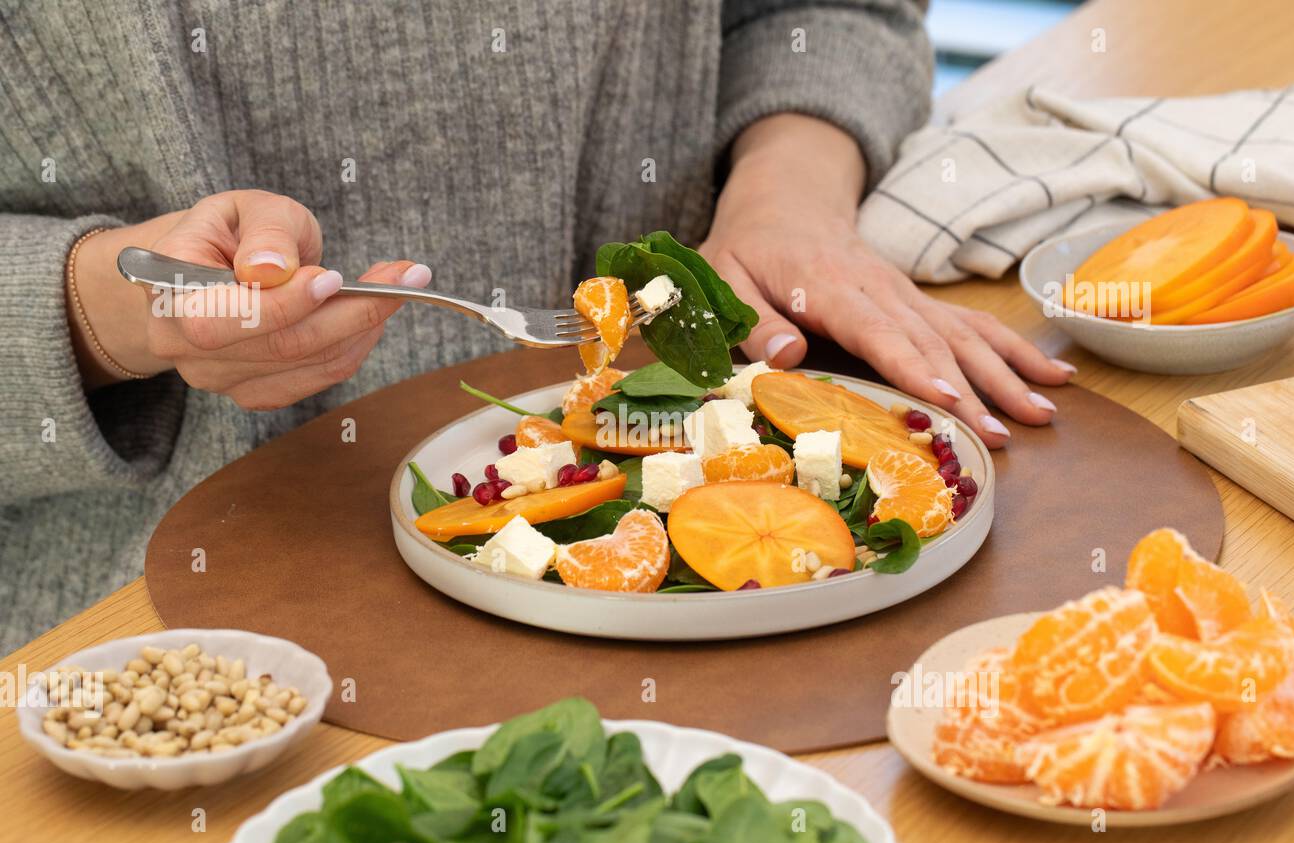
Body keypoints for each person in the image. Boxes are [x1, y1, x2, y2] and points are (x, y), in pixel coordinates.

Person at [0, 0, 1070, 651]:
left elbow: (823, 11)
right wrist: (99, 306)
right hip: (144, 635)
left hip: (739, 607)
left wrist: (786, 192)